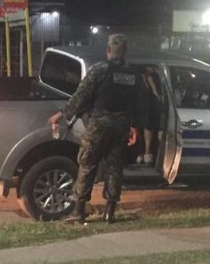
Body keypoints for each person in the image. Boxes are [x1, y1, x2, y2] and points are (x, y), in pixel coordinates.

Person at [49, 33, 139, 224]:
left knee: (87, 164)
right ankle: (109, 213)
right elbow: (138, 102)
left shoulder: (100, 69)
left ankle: (79, 211)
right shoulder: (133, 74)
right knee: (115, 168)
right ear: (125, 51)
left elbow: (81, 95)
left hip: (99, 124)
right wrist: (134, 126)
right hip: (121, 126)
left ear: (108, 50)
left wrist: (62, 114)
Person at [136, 66, 163, 165]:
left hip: (140, 105)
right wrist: (156, 94)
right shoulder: (151, 76)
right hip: (147, 105)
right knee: (147, 126)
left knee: (142, 127)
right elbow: (155, 92)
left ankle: (141, 153)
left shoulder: (138, 75)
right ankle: (147, 152)